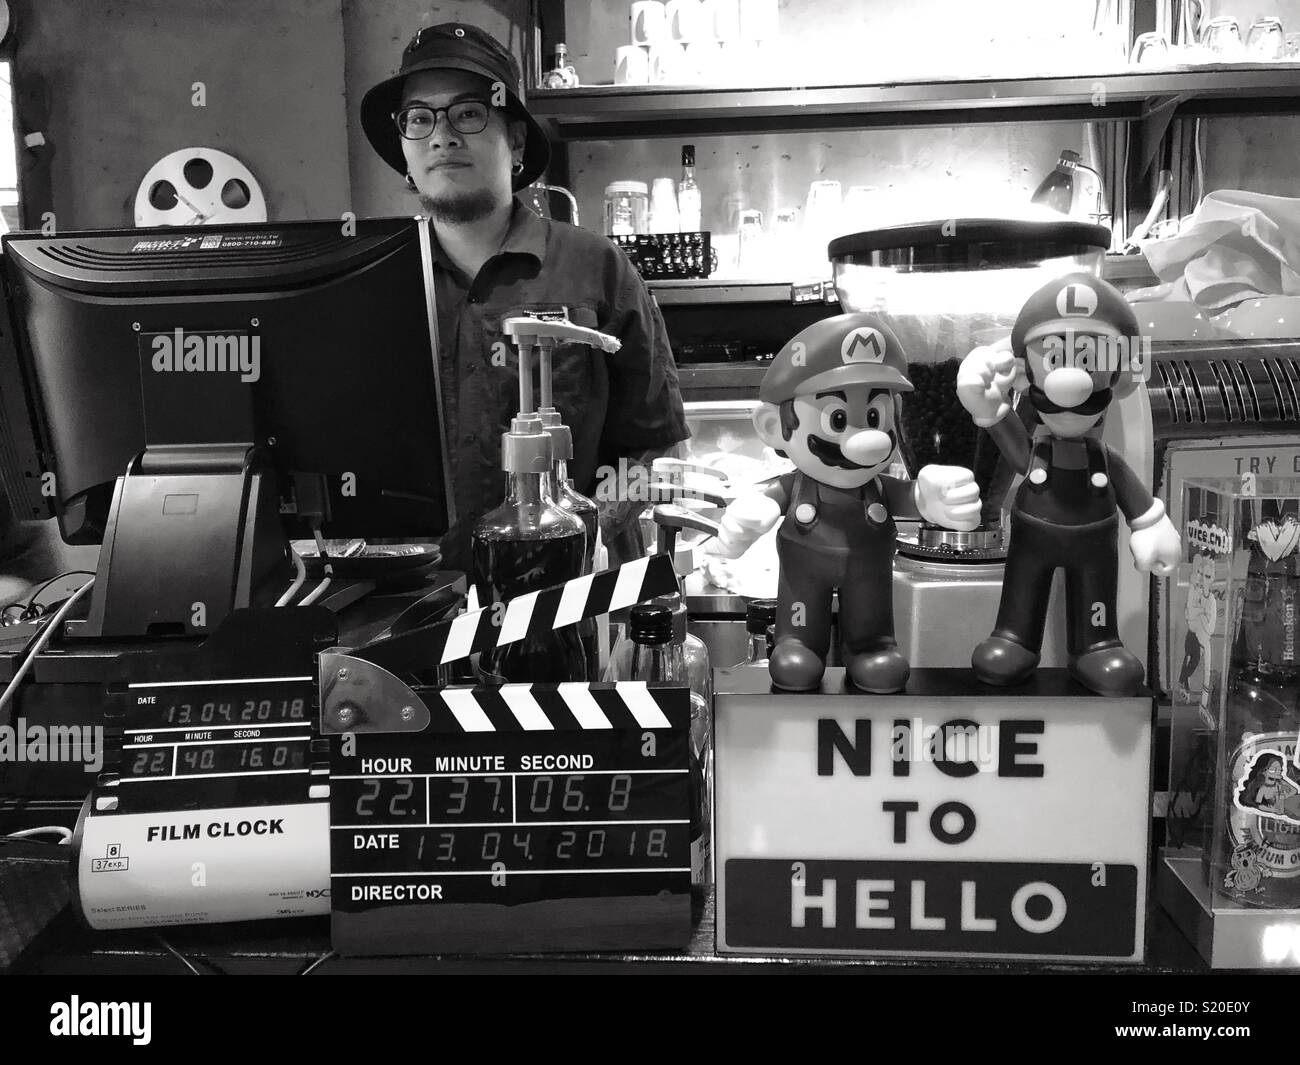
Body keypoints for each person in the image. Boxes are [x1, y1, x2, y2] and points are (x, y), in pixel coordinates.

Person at [360, 23, 690, 572]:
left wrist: (576, 532)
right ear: (404, 147)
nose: (442, 137)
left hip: (568, 604)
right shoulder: (372, 282)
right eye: (419, 118)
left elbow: (658, 452)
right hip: (409, 608)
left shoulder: (596, 269)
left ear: (515, 140)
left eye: (468, 112)